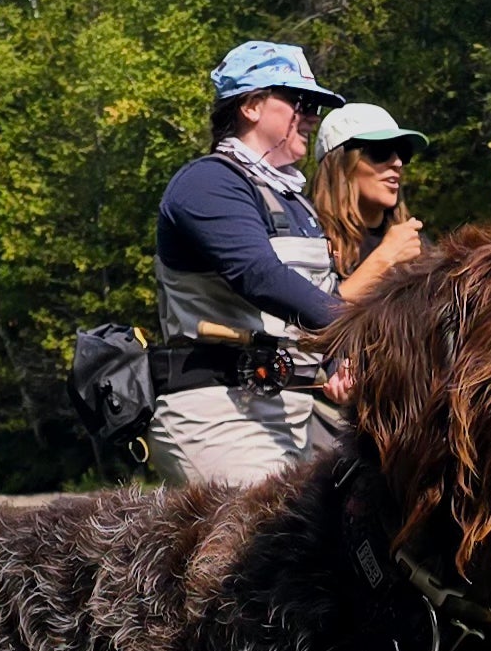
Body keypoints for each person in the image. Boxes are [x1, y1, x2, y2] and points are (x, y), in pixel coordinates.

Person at [147, 41, 420, 487]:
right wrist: (356, 330)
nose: (312, 116)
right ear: (251, 106)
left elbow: (316, 302)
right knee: (258, 546)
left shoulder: (297, 204)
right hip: (219, 416)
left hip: (288, 417)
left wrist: (338, 365)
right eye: (300, 102)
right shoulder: (208, 183)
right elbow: (261, 277)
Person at [312, 100, 429, 280]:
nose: (397, 162)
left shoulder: (415, 245)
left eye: (403, 152)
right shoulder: (310, 240)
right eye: (380, 151)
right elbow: (314, 307)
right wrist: (385, 257)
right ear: (340, 164)